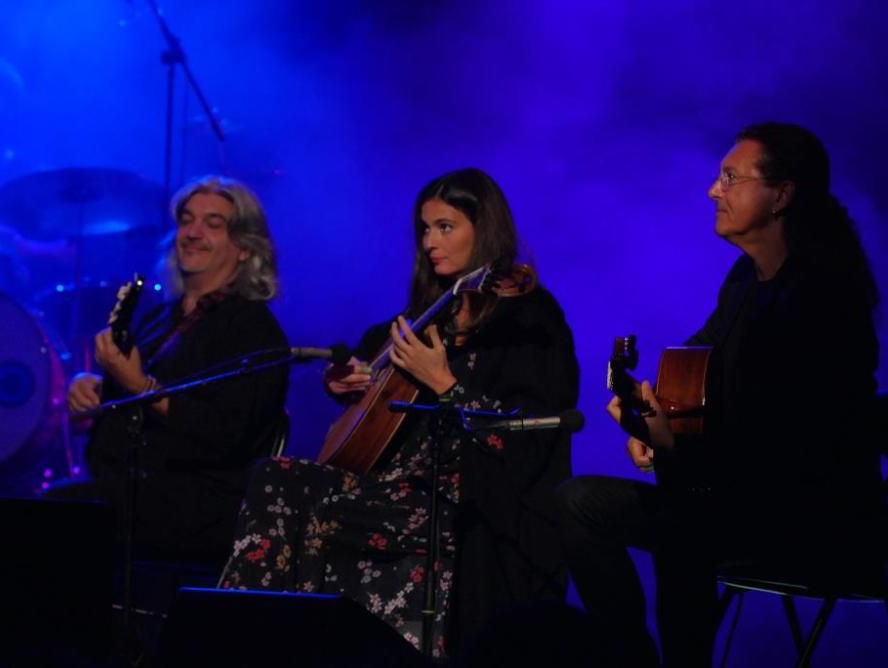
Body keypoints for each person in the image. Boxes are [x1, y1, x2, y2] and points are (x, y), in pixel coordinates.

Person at [557, 122, 888, 666]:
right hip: (735, 497)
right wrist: (653, 415)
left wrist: (673, 444)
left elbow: (791, 439)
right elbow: (697, 362)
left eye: (730, 177)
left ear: (782, 195)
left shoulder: (823, 297)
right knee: (579, 503)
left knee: (685, 522)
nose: (711, 190)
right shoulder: (745, 279)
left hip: (812, 518)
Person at [219, 168, 579, 657]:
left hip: (464, 496)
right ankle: (245, 643)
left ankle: (238, 646)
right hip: (397, 486)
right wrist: (343, 382)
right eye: (425, 229)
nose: (431, 241)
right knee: (275, 478)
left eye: (445, 227)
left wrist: (445, 383)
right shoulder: (429, 314)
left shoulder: (531, 319)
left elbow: (526, 434)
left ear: (486, 229)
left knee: (294, 495)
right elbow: (366, 363)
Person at [54, 175, 289, 565]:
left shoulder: (254, 329)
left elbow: (228, 435)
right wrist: (94, 388)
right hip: (129, 490)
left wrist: (139, 385)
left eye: (213, 225)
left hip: (196, 505)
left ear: (245, 248)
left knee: (50, 525)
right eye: (186, 219)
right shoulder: (159, 319)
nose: (193, 233)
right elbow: (126, 399)